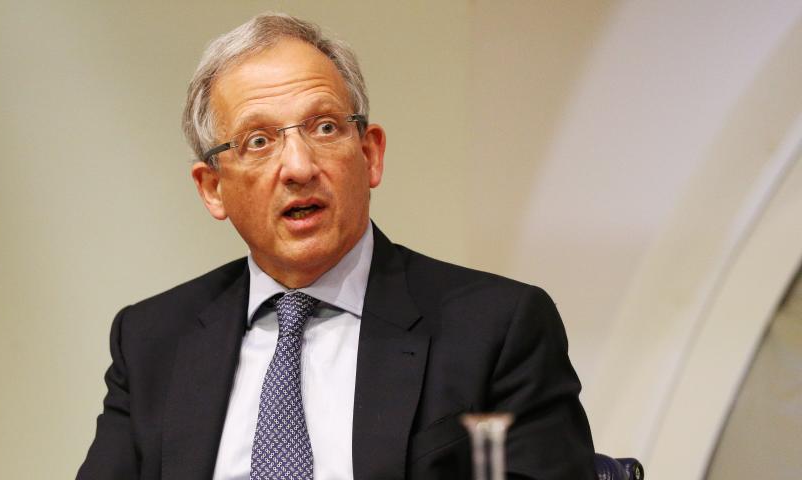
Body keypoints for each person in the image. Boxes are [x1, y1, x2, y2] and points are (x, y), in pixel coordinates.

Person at [77, 12, 594, 480]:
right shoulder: (151, 341)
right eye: (259, 141)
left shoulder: (496, 329)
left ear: (370, 155)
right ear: (212, 187)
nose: (299, 167)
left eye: (324, 127)